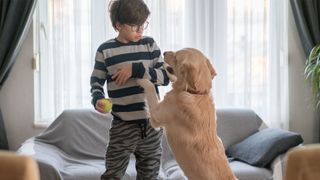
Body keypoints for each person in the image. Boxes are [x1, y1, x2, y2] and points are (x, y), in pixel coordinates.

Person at [90, 0, 170, 179]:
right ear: (118, 25)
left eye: (143, 24)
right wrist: (97, 99)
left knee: (150, 176)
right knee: (112, 175)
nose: (141, 30)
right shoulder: (105, 51)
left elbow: (165, 78)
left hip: (152, 127)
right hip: (122, 126)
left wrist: (136, 69)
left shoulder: (150, 45)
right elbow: (96, 82)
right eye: (135, 26)